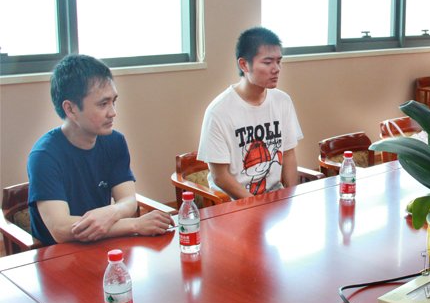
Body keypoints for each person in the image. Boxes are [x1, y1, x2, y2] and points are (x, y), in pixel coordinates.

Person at [28, 54, 174, 246]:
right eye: (103, 104)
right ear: (70, 109)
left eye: (114, 101)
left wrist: (112, 212)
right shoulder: (44, 156)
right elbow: (61, 230)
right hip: (58, 253)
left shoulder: (115, 141)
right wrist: (135, 224)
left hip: (101, 245)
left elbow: (128, 200)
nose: (113, 112)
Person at [197, 27, 303, 199]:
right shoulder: (218, 112)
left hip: (274, 199)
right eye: (267, 62)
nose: (276, 68)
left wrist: (291, 198)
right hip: (235, 204)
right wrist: (255, 205)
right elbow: (219, 176)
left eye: (279, 61)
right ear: (244, 64)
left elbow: (289, 155)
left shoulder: (282, 101)